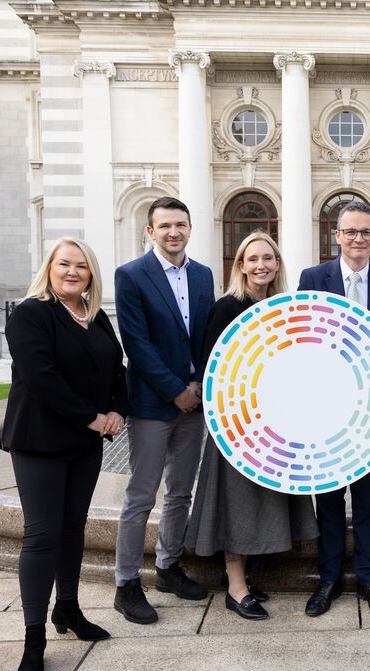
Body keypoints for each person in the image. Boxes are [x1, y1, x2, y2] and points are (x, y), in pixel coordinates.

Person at [3, 238, 127, 671]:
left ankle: (69, 610)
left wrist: (117, 409)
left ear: (91, 274)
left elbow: (117, 369)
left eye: (81, 266)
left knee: (74, 527)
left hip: (84, 442)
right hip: (40, 440)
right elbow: (42, 378)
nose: (73, 272)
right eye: (64, 264)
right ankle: (33, 637)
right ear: (49, 268)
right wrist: (92, 417)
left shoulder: (95, 317)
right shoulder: (31, 314)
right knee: (41, 535)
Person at [185, 231, 318, 620]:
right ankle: (236, 586)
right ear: (240, 265)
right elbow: (213, 367)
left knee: (264, 499)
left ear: (277, 264)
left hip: (278, 421)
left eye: (268, 258)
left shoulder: (283, 307)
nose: (261, 265)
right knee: (236, 502)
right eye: (253, 258)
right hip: (239, 423)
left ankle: (247, 578)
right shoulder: (228, 307)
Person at [297, 199, 370, 618]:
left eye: (366, 232)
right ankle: (328, 581)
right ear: (336, 236)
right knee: (327, 500)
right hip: (324, 407)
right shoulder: (313, 277)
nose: (358, 239)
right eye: (351, 232)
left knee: (367, 501)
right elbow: (301, 337)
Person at [113, 196, 216, 624]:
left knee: (180, 492)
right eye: (166, 226)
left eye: (181, 224)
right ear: (150, 231)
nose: (174, 232)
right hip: (154, 404)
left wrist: (198, 385)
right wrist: (176, 390)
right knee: (141, 494)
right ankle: (126, 584)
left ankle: (168, 568)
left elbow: (207, 335)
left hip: (193, 403)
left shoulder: (204, 275)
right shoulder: (132, 275)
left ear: (190, 229)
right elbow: (136, 344)